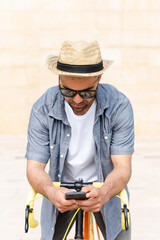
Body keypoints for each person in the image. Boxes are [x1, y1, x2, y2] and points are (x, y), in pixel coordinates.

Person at [25, 40, 134, 240]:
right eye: (67, 91)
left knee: (118, 233)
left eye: (87, 92)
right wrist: (50, 192)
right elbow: (34, 168)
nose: (76, 100)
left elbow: (123, 168)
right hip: (59, 188)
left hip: (105, 186)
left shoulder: (119, 105)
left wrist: (105, 193)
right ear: (59, 78)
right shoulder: (43, 108)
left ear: (99, 77)